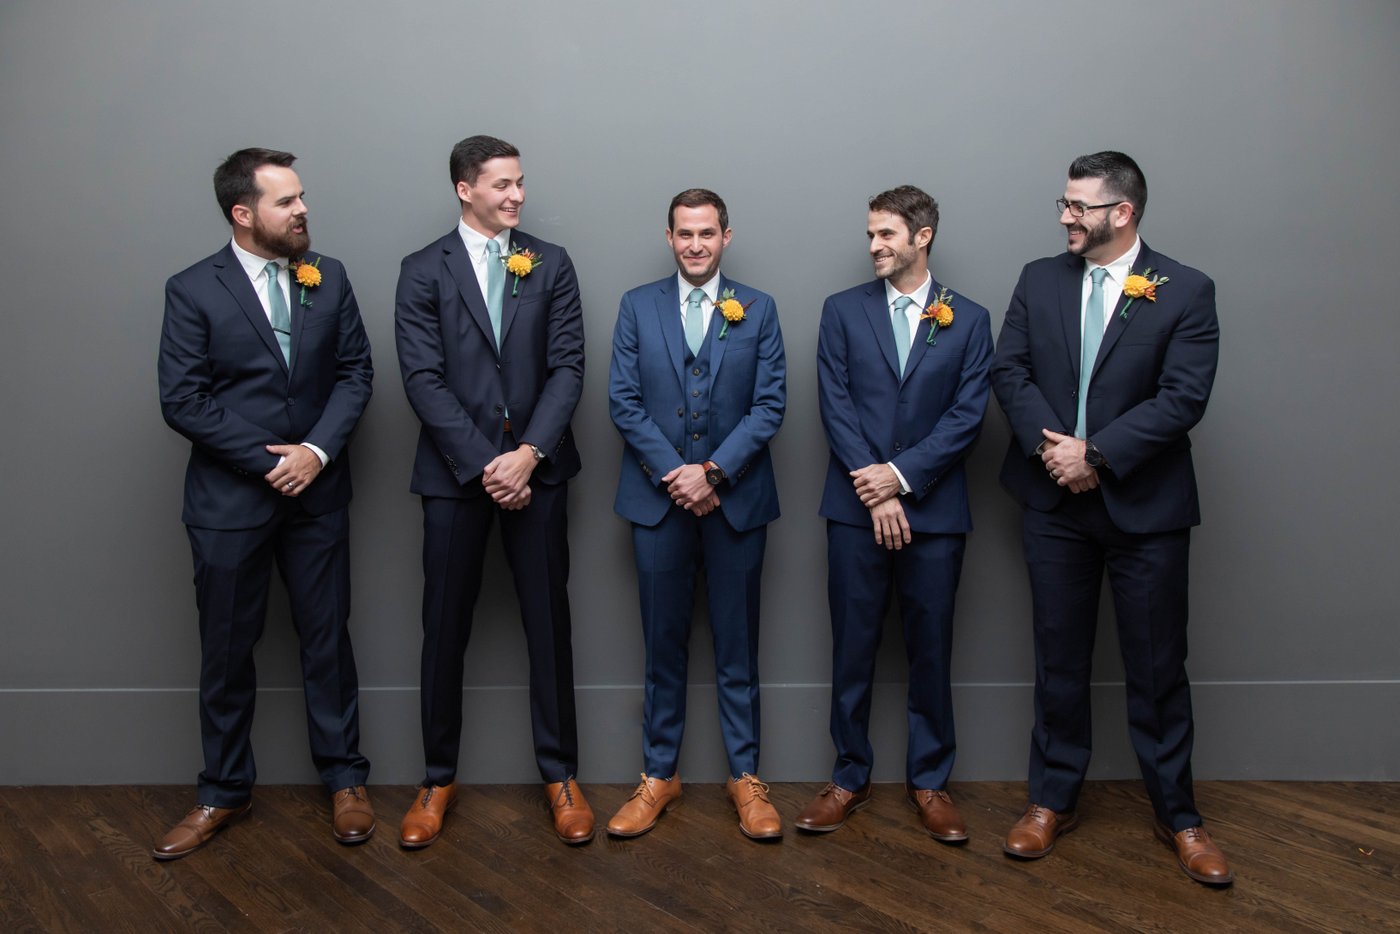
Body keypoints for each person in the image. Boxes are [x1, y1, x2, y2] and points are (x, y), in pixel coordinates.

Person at [990, 151, 1229, 885]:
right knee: (1058, 660)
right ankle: (1049, 801)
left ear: (1121, 213)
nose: (1065, 216)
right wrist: (1052, 449)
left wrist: (1096, 453)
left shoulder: (1186, 290)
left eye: (1077, 206)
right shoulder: (1038, 279)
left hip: (1145, 511)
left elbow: (1183, 398)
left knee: (1157, 668)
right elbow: (1010, 370)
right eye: (1064, 203)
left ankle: (1179, 815)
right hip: (1054, 506)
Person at [155, 148, 375, 859]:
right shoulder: (192, 289)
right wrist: (266, 462)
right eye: (286, 202)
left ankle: (345, 781)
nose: (303, 209)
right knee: (225, 652)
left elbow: (355, 373)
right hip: (229, 504)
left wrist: (314, 453)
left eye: (301, 196)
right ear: (242, 214)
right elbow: (183, 400)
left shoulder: (330, 277)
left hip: (318, 496)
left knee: (327, 645)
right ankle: (222, 791)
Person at [394, 135, 591, 847]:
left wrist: (528, 456)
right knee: (443, 630)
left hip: (540, 474)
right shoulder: (422, 271)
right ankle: (436, 778)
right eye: (502, 184)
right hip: (455, 479)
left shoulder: (551, 263)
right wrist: (488, 463)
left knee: (549, 626)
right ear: (463, 189)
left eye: (520, 183)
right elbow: (421, 378)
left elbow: (568, 367)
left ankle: (561, 777)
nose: (517, 195)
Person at [797, 186, 992, 841]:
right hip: (854, 512)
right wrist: (876, 490)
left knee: (931, 654)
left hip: (935, 516)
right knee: (852, 649)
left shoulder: (969, 319)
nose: (875, 246)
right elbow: (835, 402)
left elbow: (967, 416)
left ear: (922, 236)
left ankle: (931, 783)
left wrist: (903, 480)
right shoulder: (842, 311)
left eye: (886, 235)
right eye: (871, 235)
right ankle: (848, 777)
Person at [606, 189, 787, 840]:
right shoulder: (637, 306)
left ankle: (746, 778)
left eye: (707, 233)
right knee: (662, 647)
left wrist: (712, 472)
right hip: (658, 505)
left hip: (736, 504)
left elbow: (770, 405)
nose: (695, 244)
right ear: (669, 236)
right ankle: (659, 775)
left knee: (739, 648)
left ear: (726, 237)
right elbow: (624, 402)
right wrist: (677, 475)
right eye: (684, 234)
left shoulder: (759, 310)